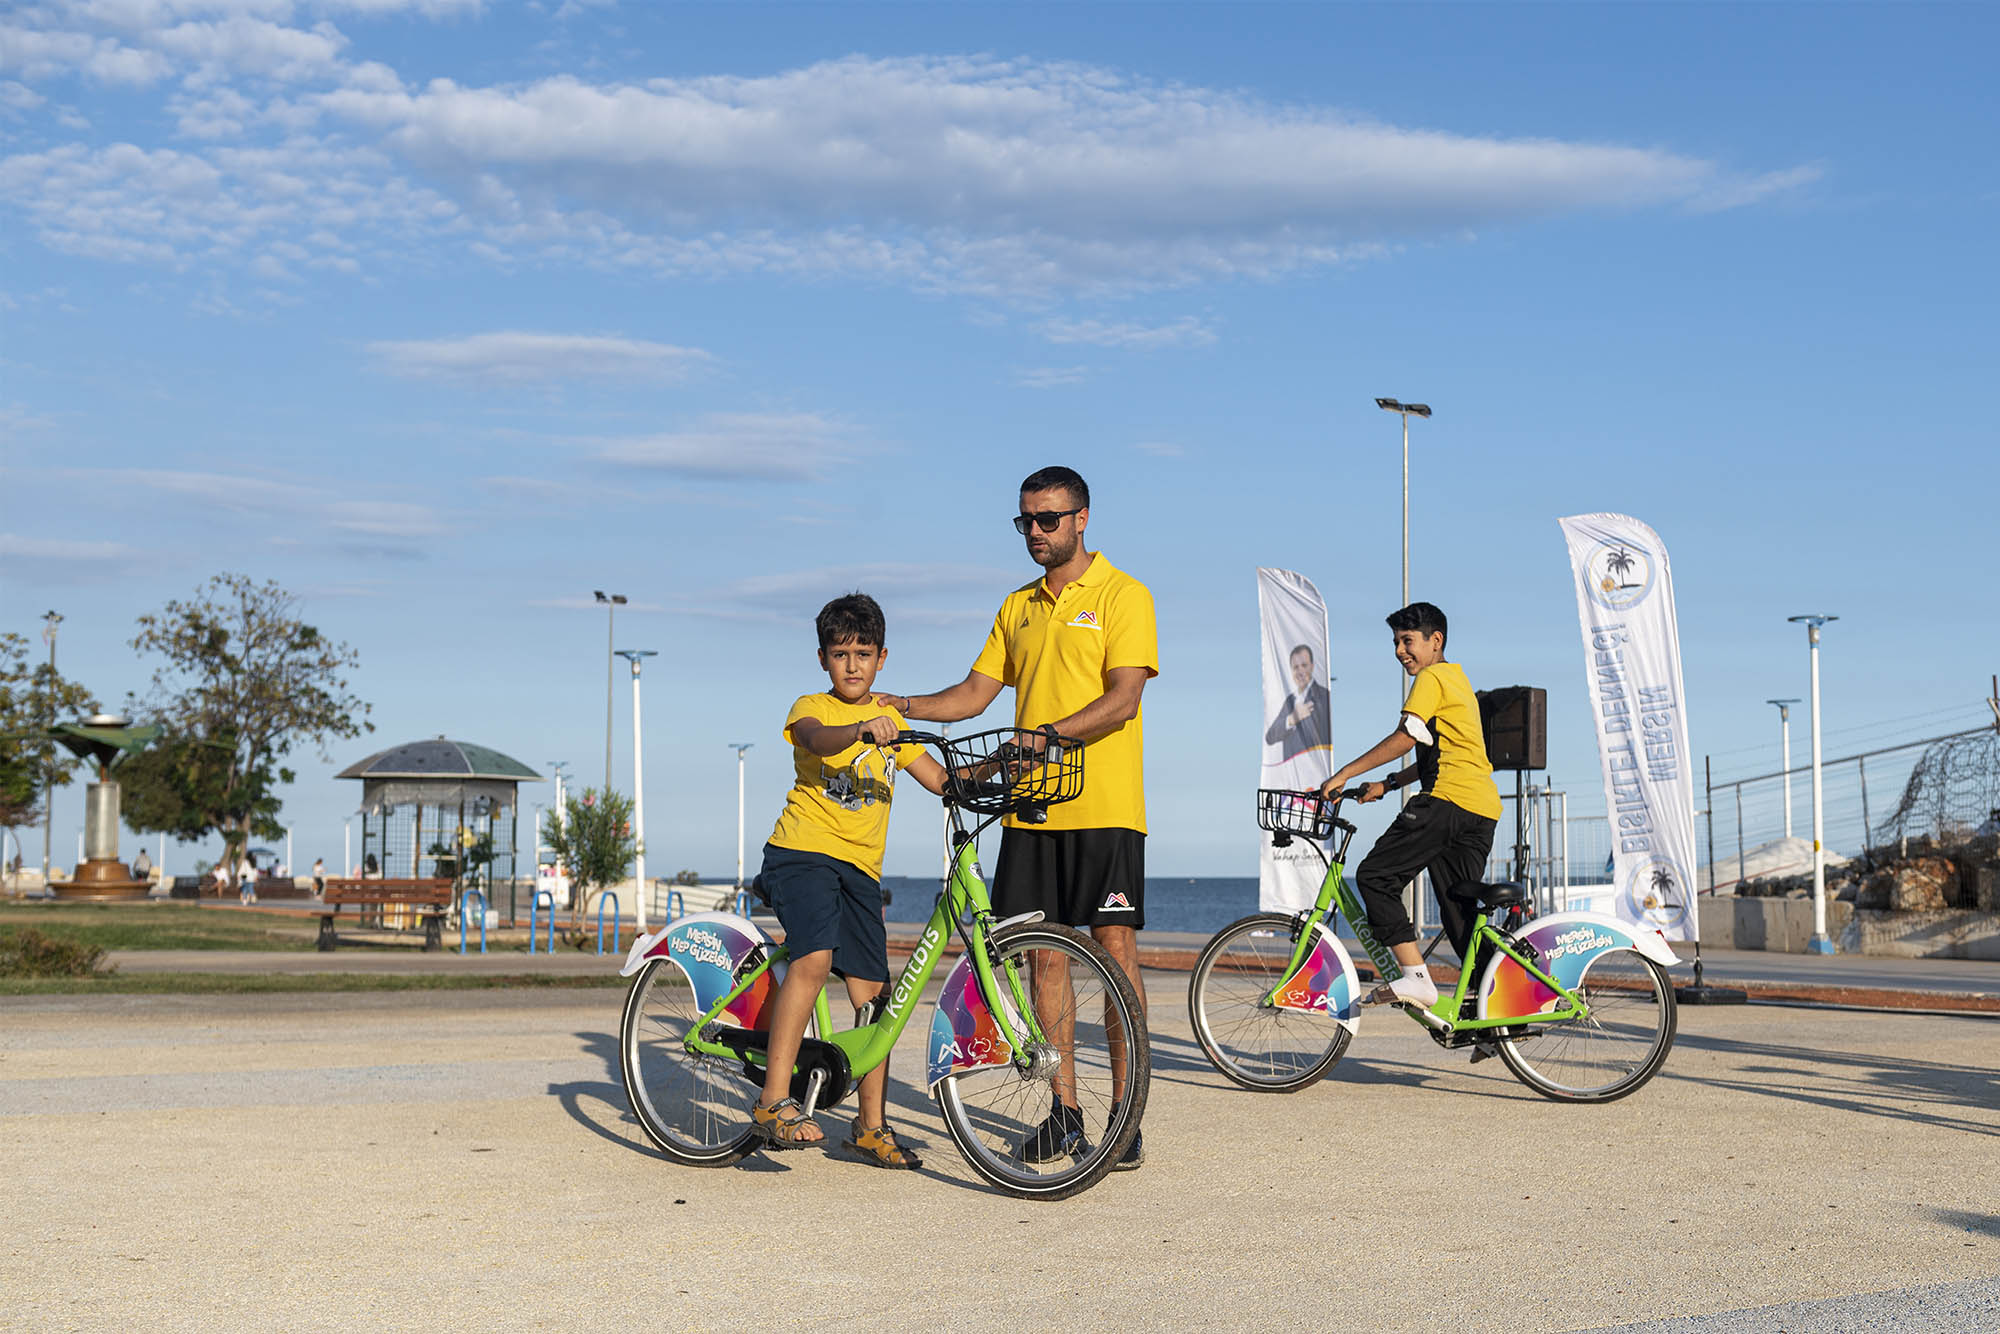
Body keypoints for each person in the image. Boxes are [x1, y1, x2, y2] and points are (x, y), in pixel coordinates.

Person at [874, 465, 1157, 1170]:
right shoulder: (1018, 606)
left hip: (1105, 804)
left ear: (1082, 518)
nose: (1035, 532)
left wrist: (1050, 732)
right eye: (1024, 521)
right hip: (1031, 807)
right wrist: (902, 706)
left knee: (1117, 957)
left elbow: (1124, 699)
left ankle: (1128, 1117)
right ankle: (1065, 1113)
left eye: (1048, 520)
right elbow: (975, 694)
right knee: (1043, 963)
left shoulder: (1125, 595)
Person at [749, 592, 950, 1167]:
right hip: (801, 853)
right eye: (841, 653)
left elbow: (938, 779)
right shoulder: (812, 707)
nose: (853, 664)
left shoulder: (896, 724)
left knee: (875, 998)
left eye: (864, 652)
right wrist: (862, 730)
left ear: (883, 657)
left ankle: (870, 1126)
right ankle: (773, 1101)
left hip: (861, 871)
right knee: (814, 958)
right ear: (822, 658)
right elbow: (817, 740)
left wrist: (999, 772)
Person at [1319, 602, 1502, 1010]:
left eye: (1408, 641)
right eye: (1396, 643)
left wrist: (1344, 773)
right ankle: (1501, 1014)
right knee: (1459, 911)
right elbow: (1438, 752)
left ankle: (1416, 979)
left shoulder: (1432, 678)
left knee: (1375, 876)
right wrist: (1388, 783)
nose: (1400, 650)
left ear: (1435, 641)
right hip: (1480, 808)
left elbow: (1405, 737)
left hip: (1448, 802)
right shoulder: (1458, 680)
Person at [1265, 643, 1334, 760]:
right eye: (1296, 667)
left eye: (1304, 665)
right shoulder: (1290, 700)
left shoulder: (1323, 696)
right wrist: (1292, 719)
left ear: (1312, 666)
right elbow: (1270, 737)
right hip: (1291, 771)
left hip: (1314, 769)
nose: (1300, 671)